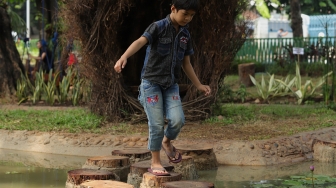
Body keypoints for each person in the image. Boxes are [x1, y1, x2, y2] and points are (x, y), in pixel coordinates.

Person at [114, 0, 211, 176]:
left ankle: (167, 142)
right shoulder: (158, 27)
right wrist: (123, 57)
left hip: (171, 85)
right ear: (173, 8)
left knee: (178, 120)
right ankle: (156, 162)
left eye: (191, 15)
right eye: (185, 14)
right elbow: (140, 41)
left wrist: (198, 85)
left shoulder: (185, 35)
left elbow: (186, 63)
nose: (188, 18)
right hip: (151, 84)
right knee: (157, 123)